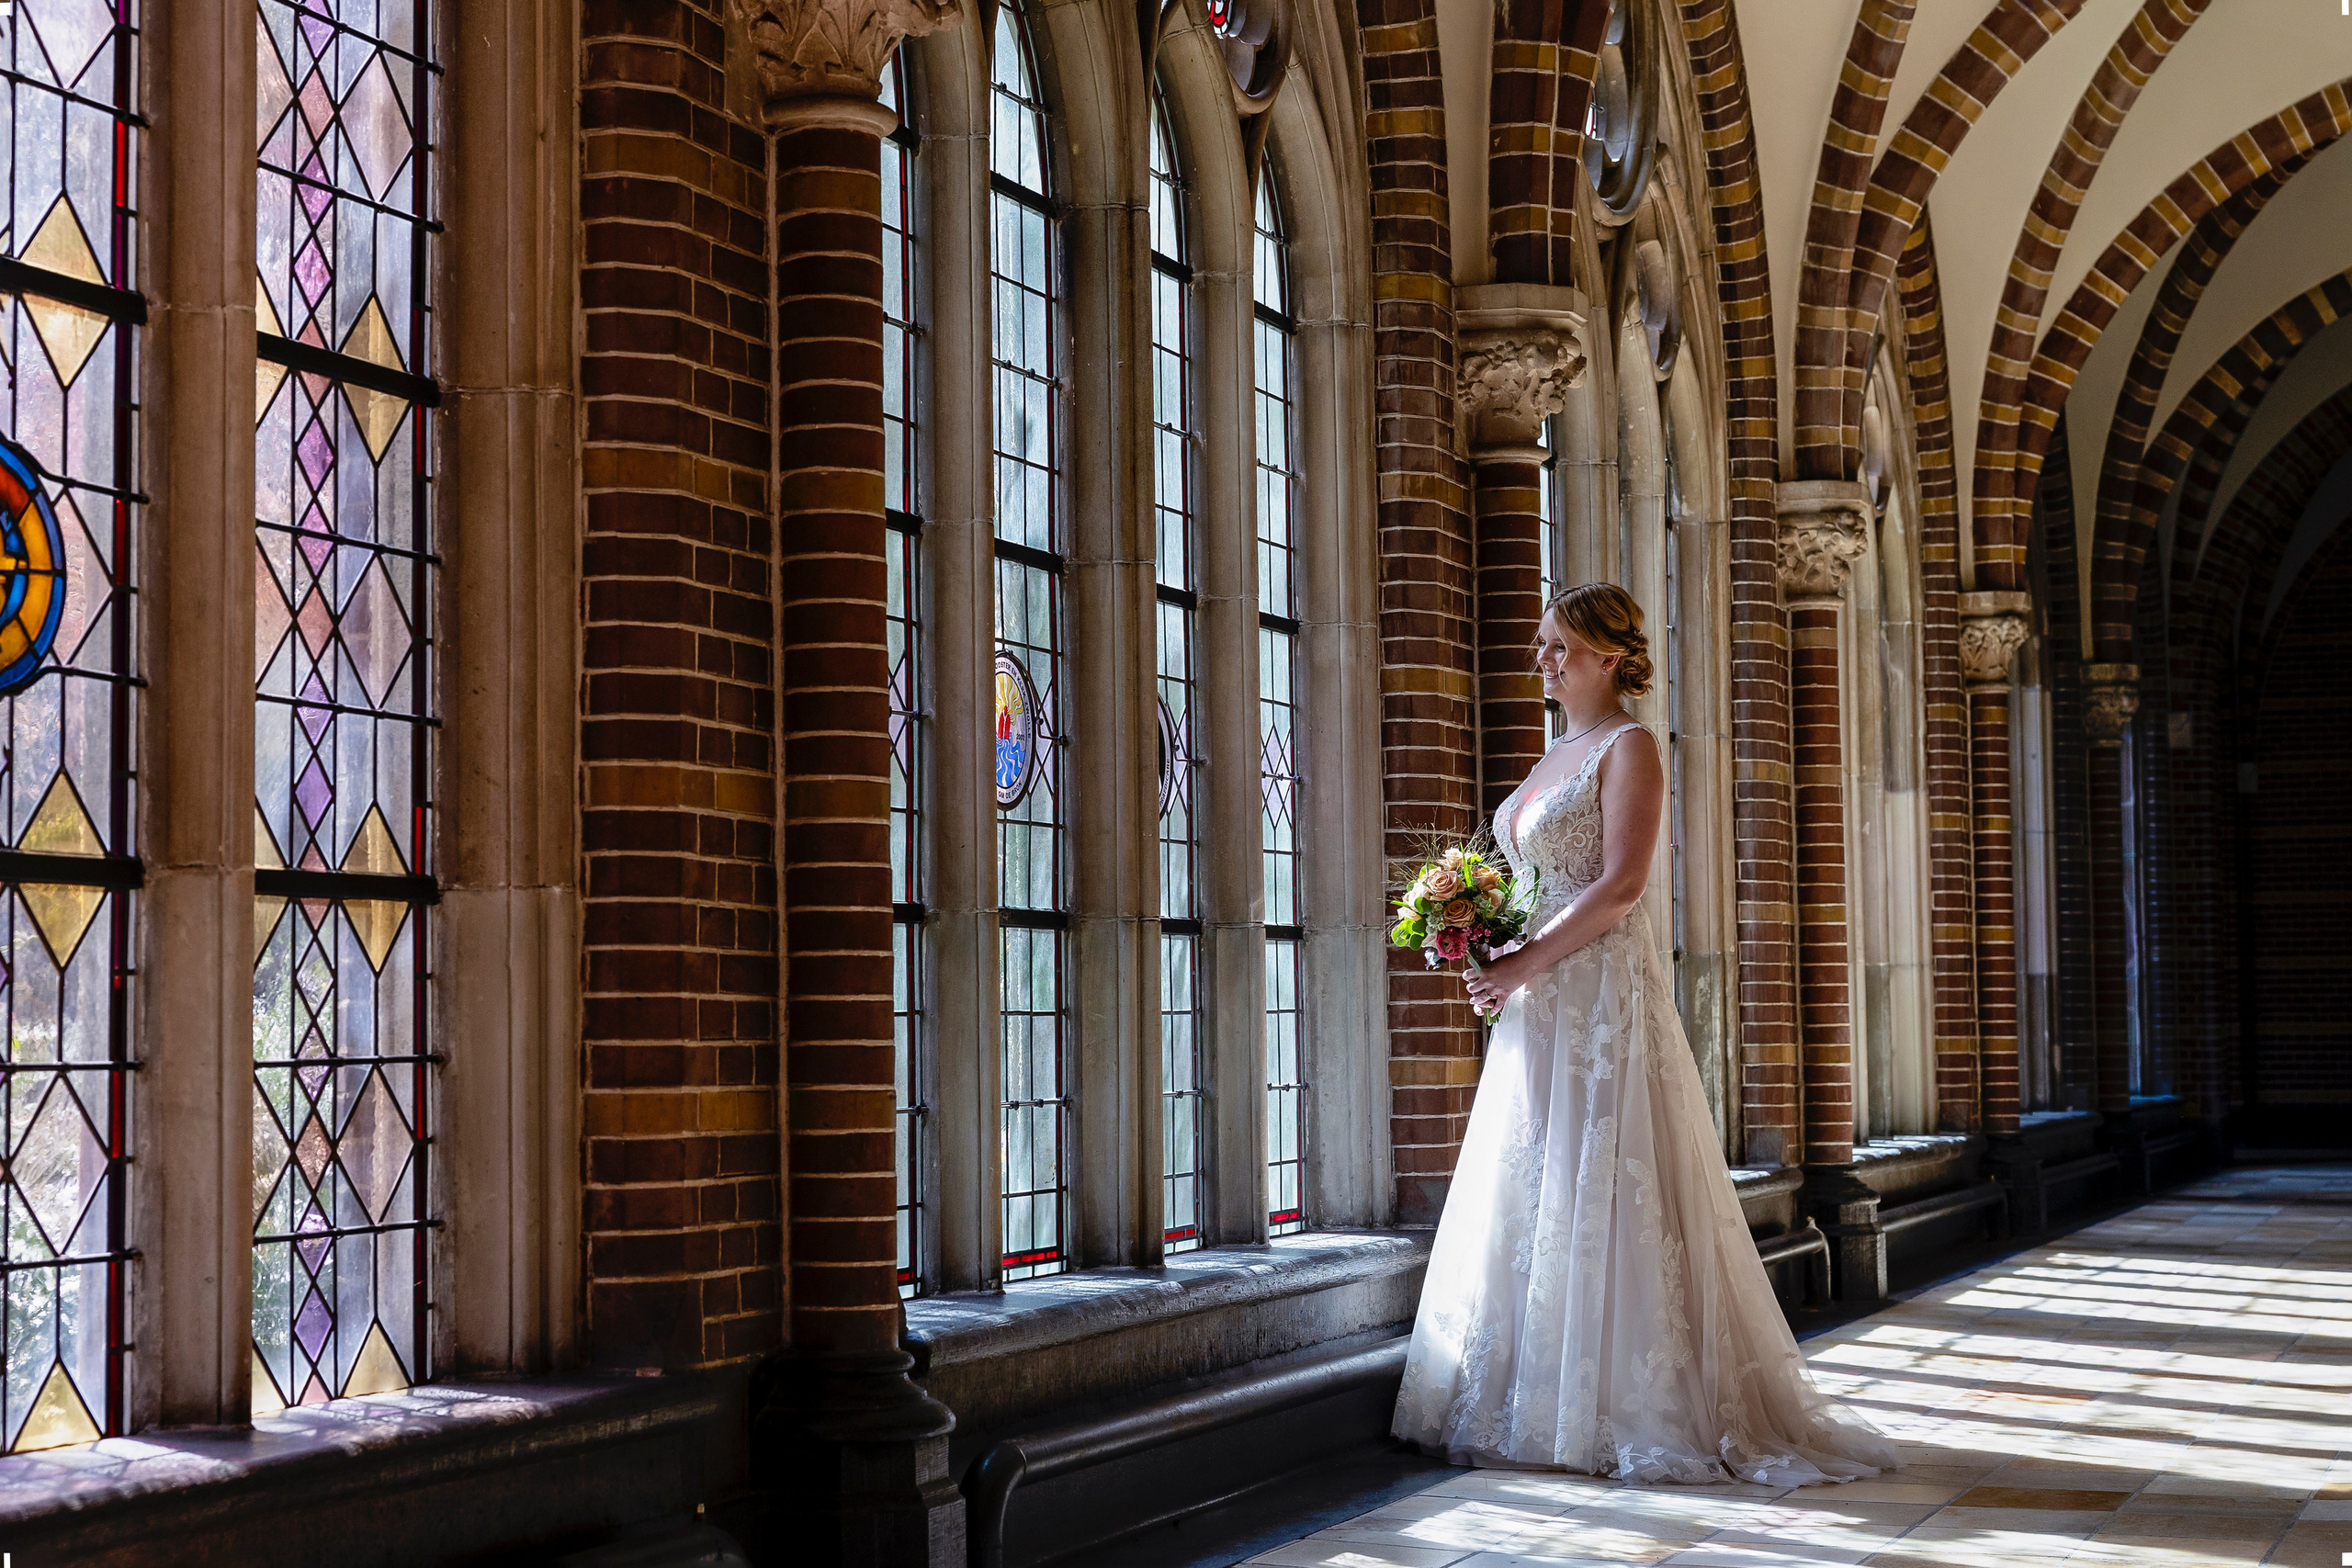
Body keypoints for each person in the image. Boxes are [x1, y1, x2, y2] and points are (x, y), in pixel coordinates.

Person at [1391, 582, 1899, 1484]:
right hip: (1540, 1002)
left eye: (1559, 646)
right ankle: (1533, 1400)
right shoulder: (1558, 751)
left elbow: (1621, 887)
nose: (1541, 659)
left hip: (1594, 1001)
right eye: (1541, 643)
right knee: (1540, 1178)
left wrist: (1521, 960)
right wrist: (1476, 926)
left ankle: (1623, 1405)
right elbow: (1534, 875)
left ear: (1611, 656)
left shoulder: (1630, 748)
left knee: (1602, 1180)